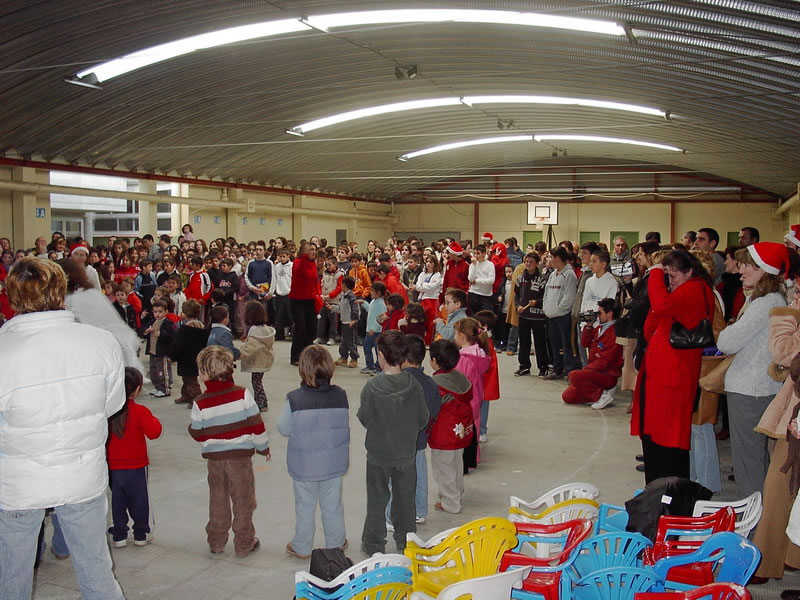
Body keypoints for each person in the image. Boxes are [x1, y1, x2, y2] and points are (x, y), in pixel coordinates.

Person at [0, 257, 126, 600]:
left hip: (18, 482)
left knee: (12, 579)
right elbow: (111, 405)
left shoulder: (4, 350)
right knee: (97, 574)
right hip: (82, 474)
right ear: (60, 290)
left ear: (12, 295)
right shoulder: (100, 342)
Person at [631, 250, 715, 483]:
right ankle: (656, 489)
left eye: (673, 275)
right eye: (667, 275)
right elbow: (650, 326)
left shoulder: (695, 289)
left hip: (673, 377)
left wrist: (656, 274)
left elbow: (661, 306)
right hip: (660, 375)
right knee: (654, 437)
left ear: (689, 272)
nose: (669, 280)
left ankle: (668, 491)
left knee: (668, 441)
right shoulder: (680, 291)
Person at [717, 242, 789, 497]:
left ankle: (753, 514)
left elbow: (726, 342)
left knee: (748, 461)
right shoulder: (767, 300)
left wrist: (730, 329)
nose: (741, 271)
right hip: (758, 388)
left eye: (748, 266)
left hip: (751, 390)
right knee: (756, 458)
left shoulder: (764, 304)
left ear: (764, 270)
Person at [188, 345, 269, 557]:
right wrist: (263, 447)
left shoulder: (200, 402)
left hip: (215, 462)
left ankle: (216, 541)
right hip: (240, 460)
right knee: (244, 501)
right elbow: (256, 424)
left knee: (218, 500)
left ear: (206, 375)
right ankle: (244, 544)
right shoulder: (242, 394)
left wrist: (202, 432)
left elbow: (197, 432)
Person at [358, 330, 429, 555]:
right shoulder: (414, 385)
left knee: (377, 499)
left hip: (378, 454)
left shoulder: (372, 386)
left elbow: (365, 418)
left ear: (380, 355)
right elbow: (423, 418)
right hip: (406, 454)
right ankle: (406, 540)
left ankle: (373, 543)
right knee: (405, 500)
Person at [277, 345, 349, 559]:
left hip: (304, 467)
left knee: (304, 506)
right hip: (333, 464)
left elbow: (283, 428)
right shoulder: (341, 395)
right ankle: (336, 544)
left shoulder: (294, 399)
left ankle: (302, 546)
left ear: (303, 369)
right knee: (333, 506)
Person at [751, 293, 800, 582]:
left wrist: (788, 315)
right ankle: (786, 555)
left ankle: (767, 561)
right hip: (794, 419)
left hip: (795, 422)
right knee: (783, 487)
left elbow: (782, 352)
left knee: (779, 486)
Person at [107, 367, 162, 548]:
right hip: (137, 465)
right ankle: (141, 534)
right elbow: (154, 432)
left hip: (113, 466)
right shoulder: (140, 411)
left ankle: (119, 535)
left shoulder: (108, 412)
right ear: (137, 389)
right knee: (139, 499)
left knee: (117, 500)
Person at [428, 339, 474, 514]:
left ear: (434, 360)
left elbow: (431, 408)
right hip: (460, 430)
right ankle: (457, 492)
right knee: (456, 463)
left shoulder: (436, 383)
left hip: (443, 434)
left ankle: (450, 502)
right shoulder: (461, 379)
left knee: (443, 468)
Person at [562, 298, 623, 408]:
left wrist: (586, 370)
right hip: (595, 371)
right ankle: (596, 394)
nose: (598, 316)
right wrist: (588, 326)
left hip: (607, 374)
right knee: (568, 396)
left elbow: (605, 361)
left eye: (600, 313)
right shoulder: (599, 328)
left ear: (610, 314)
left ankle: (602, 395)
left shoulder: (615, 332)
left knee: (573, 376)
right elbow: (585, 343)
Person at [454, 318, 491, 473]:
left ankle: (464, 461)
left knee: (462, 432)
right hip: (476, 398)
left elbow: (458, 385)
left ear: (462, 336)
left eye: (455, 333)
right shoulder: (479, 353)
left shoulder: (463, 360)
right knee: (473, 428)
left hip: (465, 402)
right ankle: (473, 457)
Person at [542, 246, 578, 380]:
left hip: (563, 317)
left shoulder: (569, 274)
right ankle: (557, 369)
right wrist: (546, 308)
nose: (549, 259)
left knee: (566, 345)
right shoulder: (553, 274)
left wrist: (557, 310)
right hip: (551, 316)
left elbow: (568, 297)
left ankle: (569, 371)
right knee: (554, 345)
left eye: (551, 257)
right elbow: (546, 293)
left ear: (557, 258)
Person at [514, 252, 550, 377]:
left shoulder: (543, 279)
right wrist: (518, 306)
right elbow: (516, 296)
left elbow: (545, 297)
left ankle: (543, 367)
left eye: (531, 262)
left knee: (540, 343)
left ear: (537, 263)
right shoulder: (520, 279)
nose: (528, 264)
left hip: (538, 316)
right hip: (524, 315)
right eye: (527, 261)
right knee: (524, 342)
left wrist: (537, 302)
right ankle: (524, 366)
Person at [169, 299, 209, 406]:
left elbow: (178, 345)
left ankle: (197, 398)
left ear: (185, 314)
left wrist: (172, 356)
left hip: (186, 359)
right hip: (198, 356)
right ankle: (186, 394)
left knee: (190, 380)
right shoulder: (202, 326)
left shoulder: (184, 329)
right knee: (188, 378)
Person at [239, 300, 276, 412]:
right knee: (258, 381)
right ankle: (260, 400)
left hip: (257, 361)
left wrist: (240, 351)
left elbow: (250, 347)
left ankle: (261, 402)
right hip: (264, 359)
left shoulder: (254, 330)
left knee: (256, 382)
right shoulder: (265, 328)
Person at [289, 242, 320, 365]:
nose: (314, 252)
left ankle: (308, 354)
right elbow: (299, 270)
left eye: (315, 249)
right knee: (300, 328)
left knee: (312, 327)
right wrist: (304, 256)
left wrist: (318, 295)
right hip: (297, 300)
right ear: (304, 251)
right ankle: (296, 356)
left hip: (309, 299)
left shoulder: (313, 263)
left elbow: (314, 281)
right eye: (311, 249)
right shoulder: (298, 262)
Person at [143, 299, 177, 397]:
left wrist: (161, 334)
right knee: (153, 371)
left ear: (166, 312)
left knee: (162, 371)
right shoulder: (152, 322)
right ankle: (157, 387)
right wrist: (146, 331)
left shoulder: (168, 323)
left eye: (160, 312)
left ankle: (165, 389)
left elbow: (173, 335)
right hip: (152, 351)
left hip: (162, 352)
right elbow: (142, 330)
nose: (157, 314)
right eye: (155, 312)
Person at [315, 257, 344, 345]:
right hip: (324, 300)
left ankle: (332, 337)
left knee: (333, 321)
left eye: (330, 265)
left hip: (334, 301)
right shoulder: (324, 273)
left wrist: (329, 296)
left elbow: (339, 288)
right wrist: (321, 294)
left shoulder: (340, 275)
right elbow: (320, 285)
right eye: (326, 265)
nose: (328, 267)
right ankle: (320, 336)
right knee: (322, 319)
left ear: (335, 264)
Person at [361, 281, 387, 375]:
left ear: (378, 293)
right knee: (367, 348)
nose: (370, 292)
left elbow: (381, 319)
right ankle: (370, 366)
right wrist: (363, 303)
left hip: (376, 331)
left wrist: (374, 329)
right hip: (370, 330)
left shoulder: (381, 304)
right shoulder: (373, 301)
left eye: (372, 290)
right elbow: (370, 310)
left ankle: (378, 367)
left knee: (377, 350)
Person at [335, 276, 360, 368]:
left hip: (350, 322)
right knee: (344, 341)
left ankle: (354, 358)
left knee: (351, 341)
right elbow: (340, 308)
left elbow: (355, 309)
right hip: (344, 321)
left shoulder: (352, 297)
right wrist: (332, 308)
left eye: (341, 284)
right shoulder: (343, 295)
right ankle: (343, 357)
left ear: (344, 285)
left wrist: (354, 319)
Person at [271, 248, 293, 341]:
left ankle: (293, 333)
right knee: (279, 315)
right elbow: (274, 279)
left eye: (284, 256)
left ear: (288, 256)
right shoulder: (277, 267)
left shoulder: (292, 266)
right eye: (280, 257)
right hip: (279, 293)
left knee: (290, 315)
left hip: (289, 293)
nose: (282, 258)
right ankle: (279, 334)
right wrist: (272, 291)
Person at [467, 243, 495, 314]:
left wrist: (477, 281)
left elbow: (491, 280)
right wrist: (474, 265)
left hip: (486, 295)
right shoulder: (472, 265)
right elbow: (470, 279)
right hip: (474, 293)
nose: (476, 256)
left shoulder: (490, 265)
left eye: (478, 253)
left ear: (484, 253)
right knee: (474, 315)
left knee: (486, 315)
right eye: (474, 253)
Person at [185, 255, 213, 321]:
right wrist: (188, 297)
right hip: (192, 302)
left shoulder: (204, 275)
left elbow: (209, 287)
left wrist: (204, 298)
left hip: (201, 301)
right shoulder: (192, 275)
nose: (191, 266)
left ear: (198, 265)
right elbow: (189, 287)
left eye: (193, 264)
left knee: (201, 318)